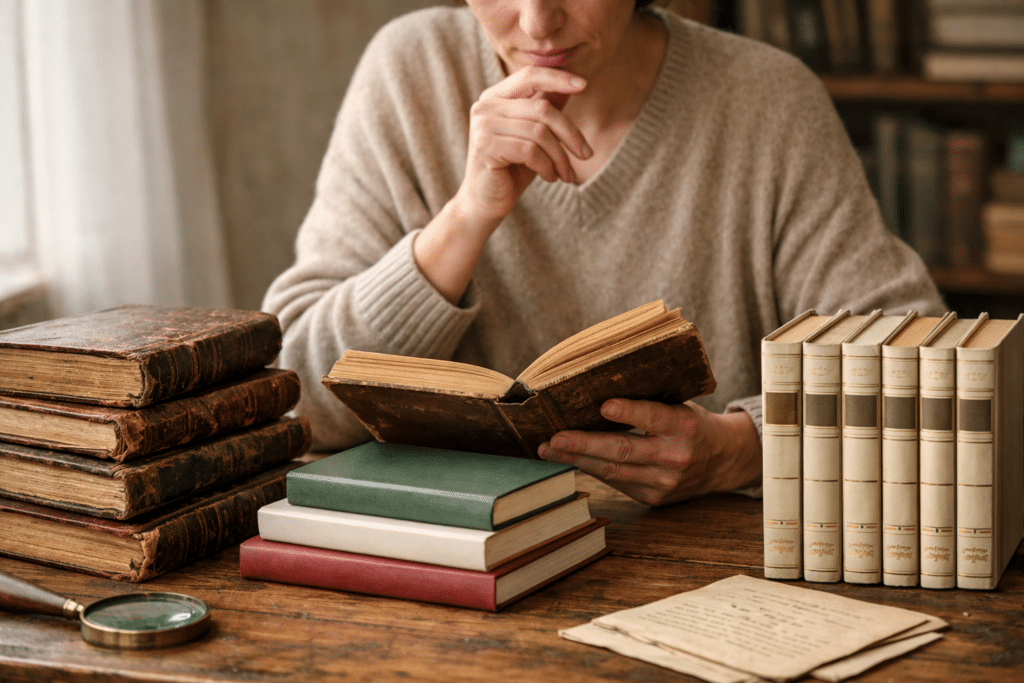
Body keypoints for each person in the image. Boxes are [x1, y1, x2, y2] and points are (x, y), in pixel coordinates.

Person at [262, 0, 945, 507]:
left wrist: (746, 449)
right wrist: (467, 216)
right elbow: (293, 400)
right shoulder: (411, 71)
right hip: (458, 570)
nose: (538, 22)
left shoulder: (768, 100)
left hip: (712, 572)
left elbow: (924, 375)